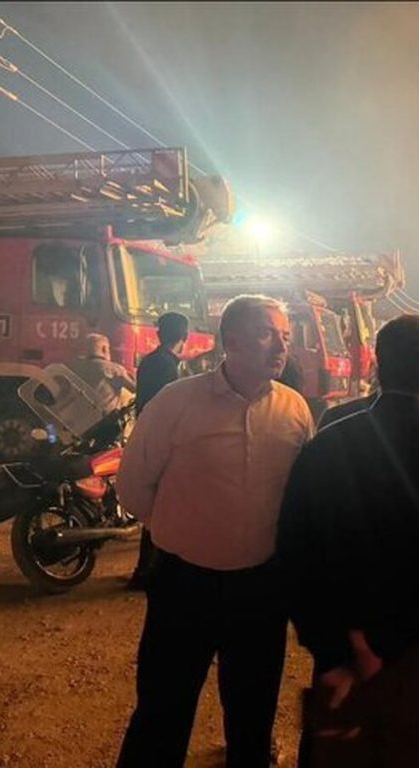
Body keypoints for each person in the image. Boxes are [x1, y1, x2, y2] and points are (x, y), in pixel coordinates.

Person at [278, 315, 419, 768]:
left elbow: (295, 555)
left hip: (341, 654)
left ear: (378, 366)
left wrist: (339, 648)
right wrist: (387, 645)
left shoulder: (326, 446)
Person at [115, 295, 315, 768]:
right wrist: (179, 529)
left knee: (252, 719)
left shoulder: (294, 409)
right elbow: (133, 486)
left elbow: (298, 495)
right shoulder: (176, 403)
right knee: (162, 714)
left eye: (285, 336)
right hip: (183, 585)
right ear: (231, 341)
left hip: (260, 590)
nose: (281, 347)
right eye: (267, 334)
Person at [127, 312, 190, 591]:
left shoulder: (150, 361)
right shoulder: (168, 367)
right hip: (165, 442)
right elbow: (171, 409)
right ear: (184, 337)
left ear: (159, 334)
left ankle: (145, 569)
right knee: (163, 507)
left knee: (156, 507)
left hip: (148, 436)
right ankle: (147, 571)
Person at [69, 333, 137, 414]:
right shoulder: (114, 370)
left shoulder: (75, 367)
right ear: (104, 349)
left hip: (78, 418)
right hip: (106, 418)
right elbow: (135, 389)